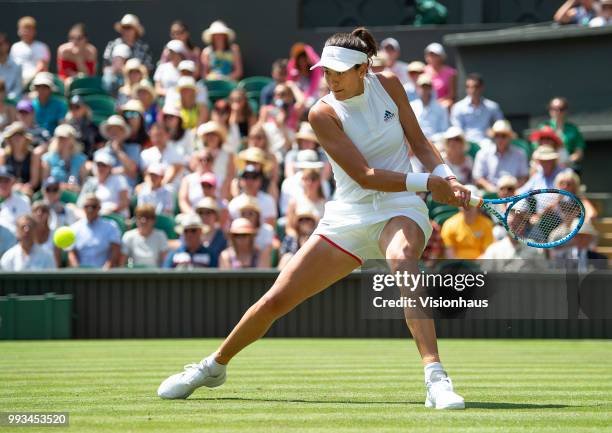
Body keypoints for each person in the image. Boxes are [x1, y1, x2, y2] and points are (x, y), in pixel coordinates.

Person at [157, 27, 469, 409]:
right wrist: (428, 181)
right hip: (349, 214)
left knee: (403, 260)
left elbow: (419, 143)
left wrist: (447, 177)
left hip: (399, 207)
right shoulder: (321, 112)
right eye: (327, 71)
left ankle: (435, 377)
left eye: (340, 71)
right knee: (275, 301)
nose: (332, 79)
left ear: (363, 68)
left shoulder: (388, 84)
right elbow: (365, 176)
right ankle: (212, 367)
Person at [472, 120, 529, 193]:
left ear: (509, 137)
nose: (500, 139)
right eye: (497, 135)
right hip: (490, 193)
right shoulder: (483, 153)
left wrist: (510, 189)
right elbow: (478, 178)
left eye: (503, 136)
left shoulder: (520, 154)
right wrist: (491, 188)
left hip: (514, 192)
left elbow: (524, 177)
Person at [68, 194, 121, 268]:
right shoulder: (74, 228)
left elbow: (115, 250)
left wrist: (106, 269)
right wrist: (78, 271)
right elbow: (71, 253)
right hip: (81, 274)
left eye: (93, 206)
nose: (90, 210)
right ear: (83, 208)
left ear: (99, 208)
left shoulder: (111, 226)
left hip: (104, 274)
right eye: (87, 206)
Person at [450, 73, 503, 146]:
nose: (472, 90)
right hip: (465, 144)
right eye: (468, 87)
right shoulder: (458, 107)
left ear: (482, 87)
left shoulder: (492, 106)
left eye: (475, 87)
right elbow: (457, 129)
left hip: (487, 142)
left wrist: (494, 131)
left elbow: (501, 126)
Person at [441, 186, 493, 259]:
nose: (467, 203)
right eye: (464, 200)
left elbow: (488, 252)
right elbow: (450, 253)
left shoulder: (487, 224)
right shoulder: (449, 224)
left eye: (470, 200)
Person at [538, 97, 585, 168]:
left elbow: (579, 153)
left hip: (567, 165)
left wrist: (567, 161)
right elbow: (537, 149)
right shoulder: (544, 127)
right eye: (554, 109)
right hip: (546, 165)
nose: (558, 112)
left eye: (561, 109)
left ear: (566, 111)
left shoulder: (573, 129)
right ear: (550, 110)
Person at [78, 151, 129, 217]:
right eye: (98, 165)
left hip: (115, 216)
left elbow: (124, 203)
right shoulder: (91, 182)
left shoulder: (119, 180)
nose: (100, 168)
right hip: (94, 216)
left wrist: (110, 211)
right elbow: (81, 203)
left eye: (104, 165)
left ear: (110, 167)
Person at [195, 121, 235, 199]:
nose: (211, 138)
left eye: (214, 135)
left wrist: (224, 191)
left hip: (222, 189)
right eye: (208, 135)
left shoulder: (228, 155)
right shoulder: (199, 154)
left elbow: (230, 175)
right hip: (203, 187)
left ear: (219, 137)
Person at [0, 121, 41, 195]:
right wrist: (12, 188)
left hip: (28, 191)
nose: (17, 138)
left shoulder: (33, 155)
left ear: (25, 138)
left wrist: (23, 188)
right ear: (9, 138)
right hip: (7, 190)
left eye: (20, 135)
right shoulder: (4, 155)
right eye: (14, 135)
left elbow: (34, 181)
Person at [140, 122, 184, 191]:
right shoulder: (145, 154)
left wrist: (157, 188)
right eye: (154, 135)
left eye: (160, 135)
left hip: (171, 191)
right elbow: (146, 175)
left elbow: (172, 174)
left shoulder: (178, 152)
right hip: (152, 189)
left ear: (168, 135)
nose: (157, 138)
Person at [41, 123, 87, 188]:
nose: (63, 141)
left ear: (72, 139)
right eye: (60, 138)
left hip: (74, 195)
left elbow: (84, 183)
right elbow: (44, 183)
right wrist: (61, 186)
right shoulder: (48, 158)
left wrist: (75, 188)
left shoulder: (80, 159)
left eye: (67, 138)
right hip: (53, 193)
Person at [282, 154, 328, 218]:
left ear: (319, 181)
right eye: (306, 179)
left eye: (313, 178)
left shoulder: (327, 204)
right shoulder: (293, 201)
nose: (310, 182)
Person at [97, 115, 139, 183]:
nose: (115, 133)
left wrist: (118, 150)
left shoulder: (134, 149)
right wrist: (123, 170)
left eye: (118, 130)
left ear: (123, 132)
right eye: (112, 130)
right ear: (108, 133)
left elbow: (133, 171)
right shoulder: (100, 153)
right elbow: (100, 177)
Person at [234, 195, 273, 267]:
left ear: (257, 215)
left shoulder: (267, 230)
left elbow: (267, 253)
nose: (247, 216)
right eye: (243, 213)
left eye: (250, 213)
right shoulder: (235, 229)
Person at [278, 202, 320, 269]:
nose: (304, 222)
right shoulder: (290, 238)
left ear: (313, 222)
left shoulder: (318, 238)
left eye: (307, 219)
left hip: (313, 270)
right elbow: (282, 258)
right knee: (287, 257)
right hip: (292, 270)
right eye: (301, 219)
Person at [9, 16, 50, 85]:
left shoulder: (41, 47)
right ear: (19, 31)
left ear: (34, 31)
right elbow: (11, 66)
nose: (26, 32)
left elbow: (42, 66)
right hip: (17, 80)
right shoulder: (15, 47)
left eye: (29, 29)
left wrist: (29, 80)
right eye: (24, 29)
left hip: (37, 80)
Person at [410, 74, 448, 140]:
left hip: (436, 142)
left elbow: (444, 129)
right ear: (417, 88)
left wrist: (433, 139)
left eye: (427, 87)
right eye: (422, 87)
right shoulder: (411, 106)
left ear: (431, 88)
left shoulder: (441, 108)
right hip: (415, 142)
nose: (424, 89)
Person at [287, 43, 322, 107]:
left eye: (304, 60)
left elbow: (313, 87)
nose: (302, 63)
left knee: (303, 105)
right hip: (298, 95)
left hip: (313, 94)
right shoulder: (292, 63)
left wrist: (303, 99)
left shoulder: (316, 66)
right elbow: (289, 81)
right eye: (300, 60)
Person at [424, 42, 456, 109]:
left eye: (435, 55)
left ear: (441, 56)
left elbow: (451, 94)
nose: (432, 57)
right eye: (430, 55)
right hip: (426, 102)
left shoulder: (451, 73)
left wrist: (438, 102)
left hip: (442, 103)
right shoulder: (423, 71)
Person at [0, 165, 31, 233]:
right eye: (0, 180)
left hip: (14, 241)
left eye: (6, 180)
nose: (3, 184)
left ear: (13, 182)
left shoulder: (23, 201)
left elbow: (25, 227)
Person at [194, 197, 228, 261]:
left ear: (216, 215)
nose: (204, 216)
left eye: (208, 212)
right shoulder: (193, 234)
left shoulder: (223, 236)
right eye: (201, 212)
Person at [0, 33, 23, 100]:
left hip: (11, 102)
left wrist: (7, 99)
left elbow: (18, 89)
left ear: (7, 45)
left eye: (0, 44)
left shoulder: (17, 64)